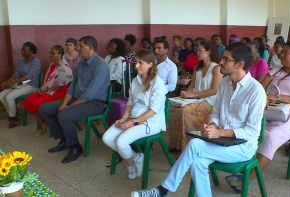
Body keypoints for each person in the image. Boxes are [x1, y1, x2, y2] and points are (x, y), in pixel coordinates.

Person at [130, 42, 266, 197]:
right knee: (197, 162)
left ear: (239, 65)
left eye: (226, 59)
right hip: (221, 140)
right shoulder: (225, 84)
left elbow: (251, 131)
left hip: (243, 147)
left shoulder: (256, 91)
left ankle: (163, 190)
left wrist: (220, 132)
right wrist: (213, 126)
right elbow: (216, 112)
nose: (221, 62)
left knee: (195, 145)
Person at [225, 41, 290, 193]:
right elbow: (258, 91)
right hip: (269, 113)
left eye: (285, 52)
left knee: (269, 136)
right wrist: (264, 99)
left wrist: (278, 97)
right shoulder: (274, 72)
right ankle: (244, 164)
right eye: (280, 51)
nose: (280, 54)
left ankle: (248, 178)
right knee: (247, 129)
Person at [39, 36, 110, 164]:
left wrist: (66, 108)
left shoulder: (101, 65)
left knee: (64, 114)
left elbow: (89, 94)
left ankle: (76, 147)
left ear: (90, 47)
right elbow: (72, 87)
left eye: (81, 46)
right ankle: (64, 139)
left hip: (94, 103)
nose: (78, 48)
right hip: (78, 99)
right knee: (44, 108)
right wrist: (65, 103)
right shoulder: (82, 63)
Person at [102, 49, 167, 180]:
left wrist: (133, 122)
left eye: (140, 63)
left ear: (150, 64)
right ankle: (136, 157)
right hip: (134, 118)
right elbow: (130, 102)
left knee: (121, 142)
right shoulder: (136, 80)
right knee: (107, 138)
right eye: (136, 62)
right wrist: (124, 118)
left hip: (152, 122)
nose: (136, 66)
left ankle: (130, 164)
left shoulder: (158, 84)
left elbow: (153, 111)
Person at [168, 40, 223, 156]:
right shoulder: (198, 66)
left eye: (200, 51)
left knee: (185, 111)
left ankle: (186, 147)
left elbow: (214, 90)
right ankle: (175, 144)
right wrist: (185, 95)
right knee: (173, 108)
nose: (196, 53)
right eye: (197, 50)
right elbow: (192, 86)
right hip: (197, 99)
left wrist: (193, 95)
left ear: (208, 52)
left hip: (211, 101)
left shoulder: (216, 68)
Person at [23, 45, 72, 135]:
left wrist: (46, 90)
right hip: (48, 89)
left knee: (36, 103)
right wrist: (42, 87)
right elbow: (47, 80)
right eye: (50, 53)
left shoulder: (64, 68)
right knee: (28, 100)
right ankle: (41, 121)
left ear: (60, 54)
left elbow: (59, 86)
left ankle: (44, 122)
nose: (50, 55)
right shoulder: (52, 65)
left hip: (58, 92)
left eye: (53, 53)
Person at [0, 42, 41, 128]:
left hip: (32, 85)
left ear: (31, 52)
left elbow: (29, 76)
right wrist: (8, 81)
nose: (22, 52)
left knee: (9, 97)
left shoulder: (36, 62)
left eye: (24, 51)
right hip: (20, 83)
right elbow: (16, 74)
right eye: (22, 50)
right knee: (1, 95)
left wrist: (13, 82)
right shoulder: (21, 61)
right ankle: (16, 115)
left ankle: (12, 118)